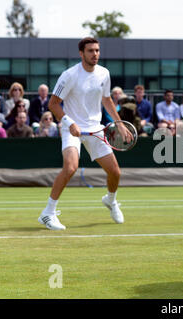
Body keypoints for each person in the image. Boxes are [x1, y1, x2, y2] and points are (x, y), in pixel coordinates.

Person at [37, 37, 133, 231]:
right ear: (81, 53)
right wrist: (69, 122)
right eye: (90, 51)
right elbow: (53, 104)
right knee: (71, 167)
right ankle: (47, 213)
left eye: (97, 50)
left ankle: (111, 201)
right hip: (72, 128)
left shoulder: (104, 74)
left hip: (95, 128)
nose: (95, 54)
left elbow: (107, 100)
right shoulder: (69, 75)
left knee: (115, 172)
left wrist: (120, 125)